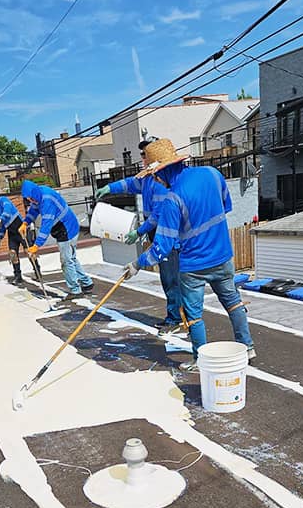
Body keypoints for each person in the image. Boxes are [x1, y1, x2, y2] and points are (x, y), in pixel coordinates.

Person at [123, 139, 255, 372]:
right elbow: (226, 207)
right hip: (223, 256)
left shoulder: (173, 198)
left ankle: (201, 359)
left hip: (194, 266)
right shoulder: (212, 173)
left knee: (193, 316)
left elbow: (161, 248)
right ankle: (247, 346)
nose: (155, 179)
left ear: (162, 171)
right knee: (233, 303)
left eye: (155, 174)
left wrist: (137, 263)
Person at [95, 139, 183, 335]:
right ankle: (178, 315)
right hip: (155, 230)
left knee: (171, 278)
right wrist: (110, 188)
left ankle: (176, 318)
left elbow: (159, 215)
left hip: (166, 232)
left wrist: (140, 231)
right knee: (168, 276)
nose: (143, 158)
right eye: (143, 154)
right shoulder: (147, 178)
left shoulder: (161, 182)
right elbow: (129, 184)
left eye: (145, 155)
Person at [20, 179, 93, 301]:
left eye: (30, 198)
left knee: (66, 260)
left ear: (34, 193)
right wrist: (25, 222)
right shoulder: (38, 195)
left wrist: (36, 245)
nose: (30, 201)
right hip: (64, 227)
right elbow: (33, 210)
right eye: (28, 199)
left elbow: (46, 226)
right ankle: (87, 283)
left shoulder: (47, 201)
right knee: (71, 258)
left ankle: (75, 290)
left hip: (67, 229)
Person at [0, 191, 34, 287]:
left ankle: (36, 269)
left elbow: (7, 210)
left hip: (20, 228)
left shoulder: (2, 200)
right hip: (11, 232)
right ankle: (18, 276)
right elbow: (1, 228)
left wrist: (2, 218)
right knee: (12, 254)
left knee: (28, 251)